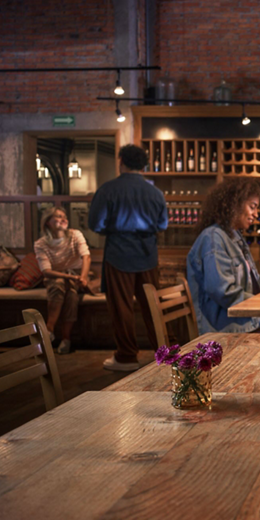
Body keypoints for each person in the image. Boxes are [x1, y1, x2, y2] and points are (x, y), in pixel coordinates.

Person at [88, 144, 168, 372]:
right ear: (143, 165)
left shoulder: (108, 189)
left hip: (118, 254)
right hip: (148, 254)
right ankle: (162, 354)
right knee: (152, 305)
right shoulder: (155, 192)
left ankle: (126, 356)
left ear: (120, 160)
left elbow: (96, 224)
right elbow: (162, 225)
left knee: (121, 306)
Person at [187, 177, 260, 335]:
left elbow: (251, 283)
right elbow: (224, 292)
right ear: (234, 204)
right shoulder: (214, 238)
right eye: (252, 207)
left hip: (245, 323)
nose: (256, 214)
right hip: (228, 329)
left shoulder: (233, 236)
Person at [33, 207, 91, 355]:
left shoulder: (75, 234)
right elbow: (46, 271)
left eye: (65, 216)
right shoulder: (40, 244)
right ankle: (53, 331)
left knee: (72, 293)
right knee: (62, 287)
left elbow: (86, 256)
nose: (64, 219)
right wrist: (69, 277)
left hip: (76, 275)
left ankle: (60, 336)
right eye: (58, 217)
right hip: (55, 277)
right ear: (47, 222)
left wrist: (83, 277)